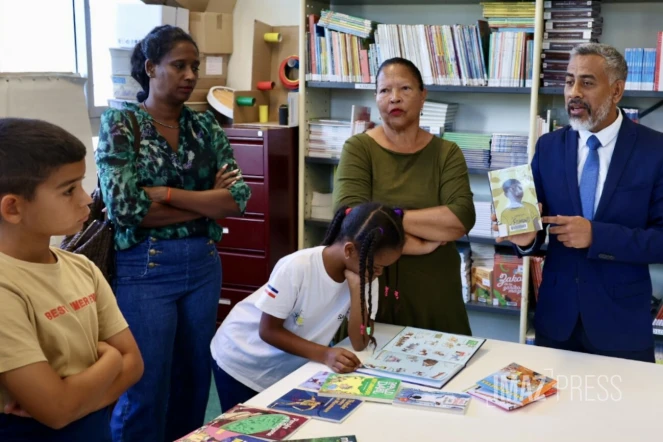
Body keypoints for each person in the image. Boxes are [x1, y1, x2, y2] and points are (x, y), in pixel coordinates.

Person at [95, 25, 251, 441]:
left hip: (203, 265)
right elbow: (125, 210)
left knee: (195, 381)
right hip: (145, 268)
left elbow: (237, 198)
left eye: (194, 66)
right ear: (150, 67)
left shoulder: (206, 127)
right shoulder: (122, 124)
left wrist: (165, 194)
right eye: (178, 65)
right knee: (145, 386)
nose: (190, 75)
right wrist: (204, 201)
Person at [495, 43, 663, 363]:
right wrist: (527, 240)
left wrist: (596, 236)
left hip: (622, 326)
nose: (574, 92)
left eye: (586, 82)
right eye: (569, 80)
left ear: (616, 91)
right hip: (557, 323)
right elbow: (536, 225)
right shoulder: (548, 148)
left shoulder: (655, 151)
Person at [0, 118, 143, 441]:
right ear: (13, 207)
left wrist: (71, 401)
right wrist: (109, 360)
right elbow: (56, 410)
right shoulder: (5, 287)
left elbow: (134, 364)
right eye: (68, 190)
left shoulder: (82, 267)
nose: (86, 199)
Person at [209, 202, 405, 411]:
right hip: (242, 356)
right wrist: (325, 354)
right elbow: (268, 331)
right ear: (349, 250)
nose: (379, 274)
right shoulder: (297, 266)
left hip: (287, 364)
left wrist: (358, 288)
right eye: (376, 267)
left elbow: (362, 338)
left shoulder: (365, 277)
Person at [333, 57, 476, 335]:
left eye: (405, 89)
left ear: (423, 96)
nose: (394, 98)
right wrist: (422, 243)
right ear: (375, 98)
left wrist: (391, 217)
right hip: (371, 292)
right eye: (385, 90)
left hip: (436, 296)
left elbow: (460, 218)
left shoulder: (447, 153)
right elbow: (350, 221)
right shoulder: (358, 149)